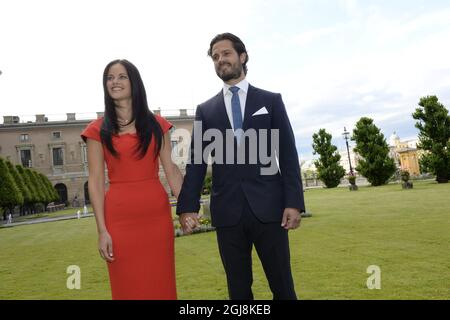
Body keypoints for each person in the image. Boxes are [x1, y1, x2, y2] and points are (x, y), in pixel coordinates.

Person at [176, 33, 305, 300]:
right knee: (238, 291)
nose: (220, 59)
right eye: (215, 56)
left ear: (242, 57)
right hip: (227, 213)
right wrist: (187, 207)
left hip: (270, 210)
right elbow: (197, 161)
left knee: (282, 286)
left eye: (225, 53)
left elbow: (288, 154)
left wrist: (293, 201)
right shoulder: (206, 110)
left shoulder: (270, 101)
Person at [81, 59, 182, 300]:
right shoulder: (97, 130)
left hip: (156, 218)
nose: (114, 82)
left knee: (161, 284)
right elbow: (95, 182)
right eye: (109, 78)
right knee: (127, 288)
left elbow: (171, 169)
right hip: (119, 221)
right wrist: (102, 231)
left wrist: (187, 207)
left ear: (134, 82)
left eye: (121, 76)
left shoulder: (157, 124)